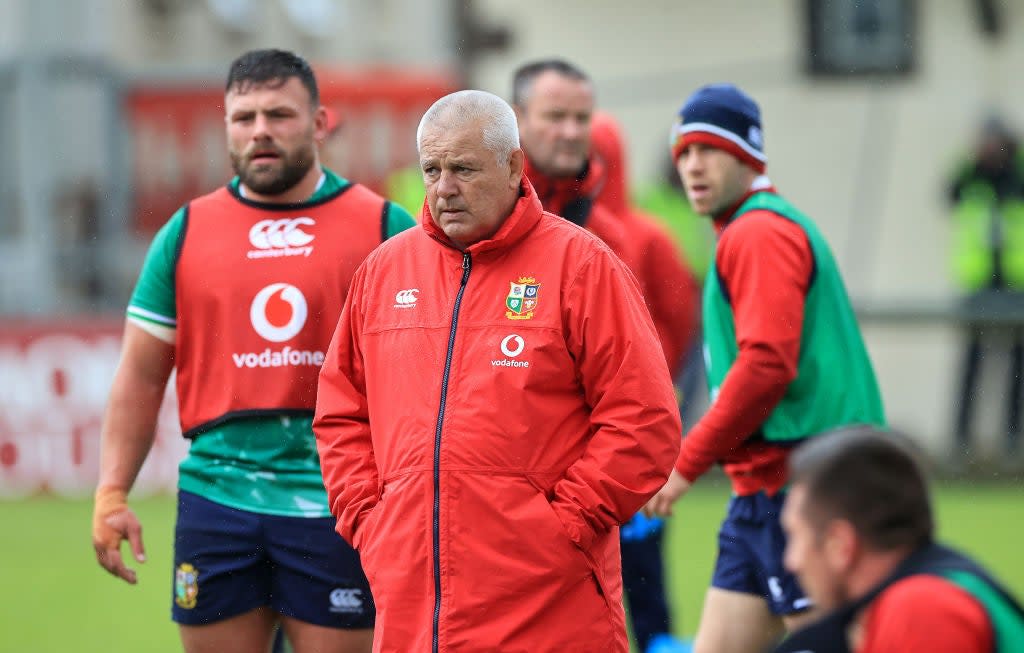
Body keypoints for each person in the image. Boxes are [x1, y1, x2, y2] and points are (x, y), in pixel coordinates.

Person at [313, 89, 682, 653]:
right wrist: (369, 521)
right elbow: (341, 412)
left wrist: (564, 527)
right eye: (432, 170)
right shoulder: (384, 273)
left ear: (514, 166)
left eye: (462, 168)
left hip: (549, 606)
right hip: (414, 608)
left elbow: (645, 420)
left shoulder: (581, 265)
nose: (443, 188)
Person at [91, 48, 416, 653]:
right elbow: (139, 377)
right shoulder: (186, 232)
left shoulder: (385, 228)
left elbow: (431, 374)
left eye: (279, 114)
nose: (260, 130)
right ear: (227, 128)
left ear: (320, 123)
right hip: (217, 498)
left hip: (341, 501)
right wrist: (112, 491)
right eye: (243, 118)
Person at [643, 83, 886, 653]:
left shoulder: (758, 231)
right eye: (684, 154)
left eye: (710, 150)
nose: (693, 167)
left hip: (806, 487)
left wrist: (685, 461)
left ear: (748, 155)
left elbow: (766, 365)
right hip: (763, 491)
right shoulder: (750, 228)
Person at [590, 110, 699, 653]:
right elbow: (679, 319)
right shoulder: (645, 232)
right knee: (631, 566)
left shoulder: (645, 235)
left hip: (631, 429)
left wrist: (649, 386)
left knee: (638, 556)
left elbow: (679, 319)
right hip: (614, 427)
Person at [774, 426, 1024, 653]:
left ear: (840, 545)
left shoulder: (921, 609)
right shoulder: (914, 595)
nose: (791, 562)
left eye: (796, 537)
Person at [947, 116, 1024, 460]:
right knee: (972, 365)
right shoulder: (972, 176)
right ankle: (961, 440)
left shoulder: (1017, 177)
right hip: (978, 283)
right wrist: (974, 158)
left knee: (1017, 368)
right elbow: (950, 191)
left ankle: (1012, 441)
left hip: (1016, 283)